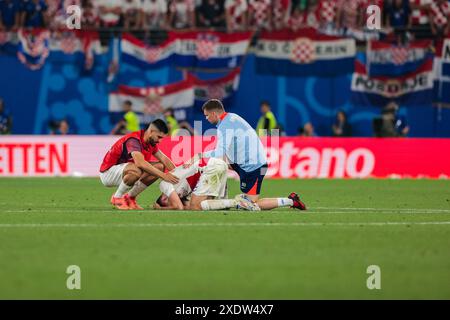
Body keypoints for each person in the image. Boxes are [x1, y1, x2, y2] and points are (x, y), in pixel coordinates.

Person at [183, 99, 306, 211]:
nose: (206, 119)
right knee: (219, 165)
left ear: (214, 114)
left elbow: (220, 151)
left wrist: (198, 155)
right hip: (242, 163)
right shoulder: (231, 117)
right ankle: (221, 193)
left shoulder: (225, 126)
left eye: (207, 115)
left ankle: (291, 200)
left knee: (251, 204)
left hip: (254, 166)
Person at [99, 119, 179, 210]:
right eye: (159, 137)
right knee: (136, 169)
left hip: (125, 170)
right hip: (108, 173)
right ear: (151, 131)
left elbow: (164, 159)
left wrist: (179, 176)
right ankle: (117, 197)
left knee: (160, 166)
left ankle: (129, 198)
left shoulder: (150, 143)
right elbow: (140, 163)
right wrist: (164, 176)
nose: (160, 141)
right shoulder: (133, 140)